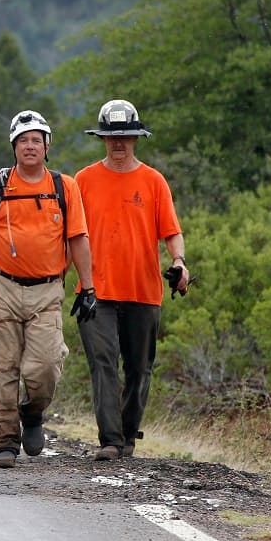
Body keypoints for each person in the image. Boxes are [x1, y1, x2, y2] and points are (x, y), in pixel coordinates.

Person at [0, 110, 96, 469]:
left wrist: (87, 288)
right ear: (14, 146)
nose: (30, 146)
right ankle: (5, 442)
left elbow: (78, 238)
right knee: (2, 368)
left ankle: (33, 412)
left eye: (36, 140)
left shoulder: (63, 186)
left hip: (47, 289)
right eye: (23, 140)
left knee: (44, 369)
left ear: (46, 146)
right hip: (2, 285)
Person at [75, 99, 189, 461]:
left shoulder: (153, 181)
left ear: (136, 138)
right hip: (96, 292)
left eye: (125, 136)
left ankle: (127, 434)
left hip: (143, 292)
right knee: (104, 362)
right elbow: (70, 237)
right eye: (112, 137)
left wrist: (180, 263)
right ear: (102, 139)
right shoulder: (84, 180)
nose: (119, 143)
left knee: (139, 370)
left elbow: (172, 232)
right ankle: (110, 440)